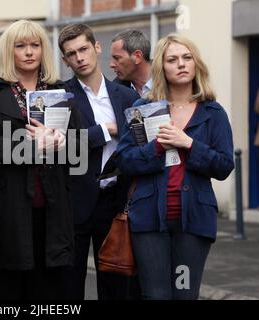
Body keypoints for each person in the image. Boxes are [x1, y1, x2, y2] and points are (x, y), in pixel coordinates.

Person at [116, 34, 235, 300]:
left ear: (196, 65)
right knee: (156, 295)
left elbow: (224, 165)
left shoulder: (213, 113)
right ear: (162, 67)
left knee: (184, 293)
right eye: (172, 59)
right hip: (148, 219)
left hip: (193, 221)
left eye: (187, 57)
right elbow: (125, 160)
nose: (181, 64)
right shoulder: (142, 109)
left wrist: (189, 144)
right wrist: (157, 147)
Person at [0, 20, 79, 300]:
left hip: (53, 211)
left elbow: (78, 148)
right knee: (5, 293)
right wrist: (33, 145)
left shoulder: (60, 89)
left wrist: (61, 142)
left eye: (35, 45)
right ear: (10, 50)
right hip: (6, 211)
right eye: (21, 46)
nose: (29, 52)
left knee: (48, 295)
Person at [58, 23, 140, 300]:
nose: (79, 57)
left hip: (115, 202)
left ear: (97, 47)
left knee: (116, 288)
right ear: (65, 60)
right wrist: (108, 129)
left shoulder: (128, 96)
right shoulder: (61, 96)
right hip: (74, 201)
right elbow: (62, 145)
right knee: (69, 289)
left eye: (83, 49)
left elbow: (141, 144)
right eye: (71, 54)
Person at [110, 29, 152, 98]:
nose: (111, 64)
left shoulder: (169, 82)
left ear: (137, 56)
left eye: (117, 58)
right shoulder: (114, 93)